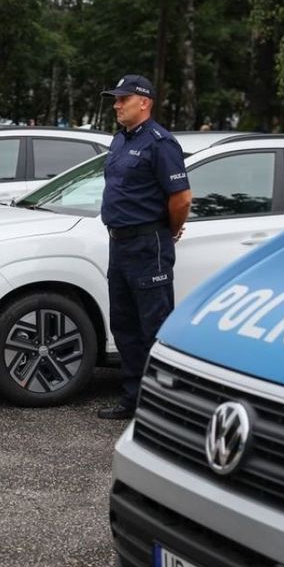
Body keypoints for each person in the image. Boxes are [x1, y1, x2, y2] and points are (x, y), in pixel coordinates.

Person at [96, 74, 191, 420]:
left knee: (154, 327)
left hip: (148, 243)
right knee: (124, 325)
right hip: (119, 244)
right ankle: (133, 399)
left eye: (123, 99)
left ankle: (162, 406)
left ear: (144, 102)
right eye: (116, 99)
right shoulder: (120, 140)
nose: (116, 105)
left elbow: (181, 198)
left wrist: (171, 230)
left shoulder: (160, 143)